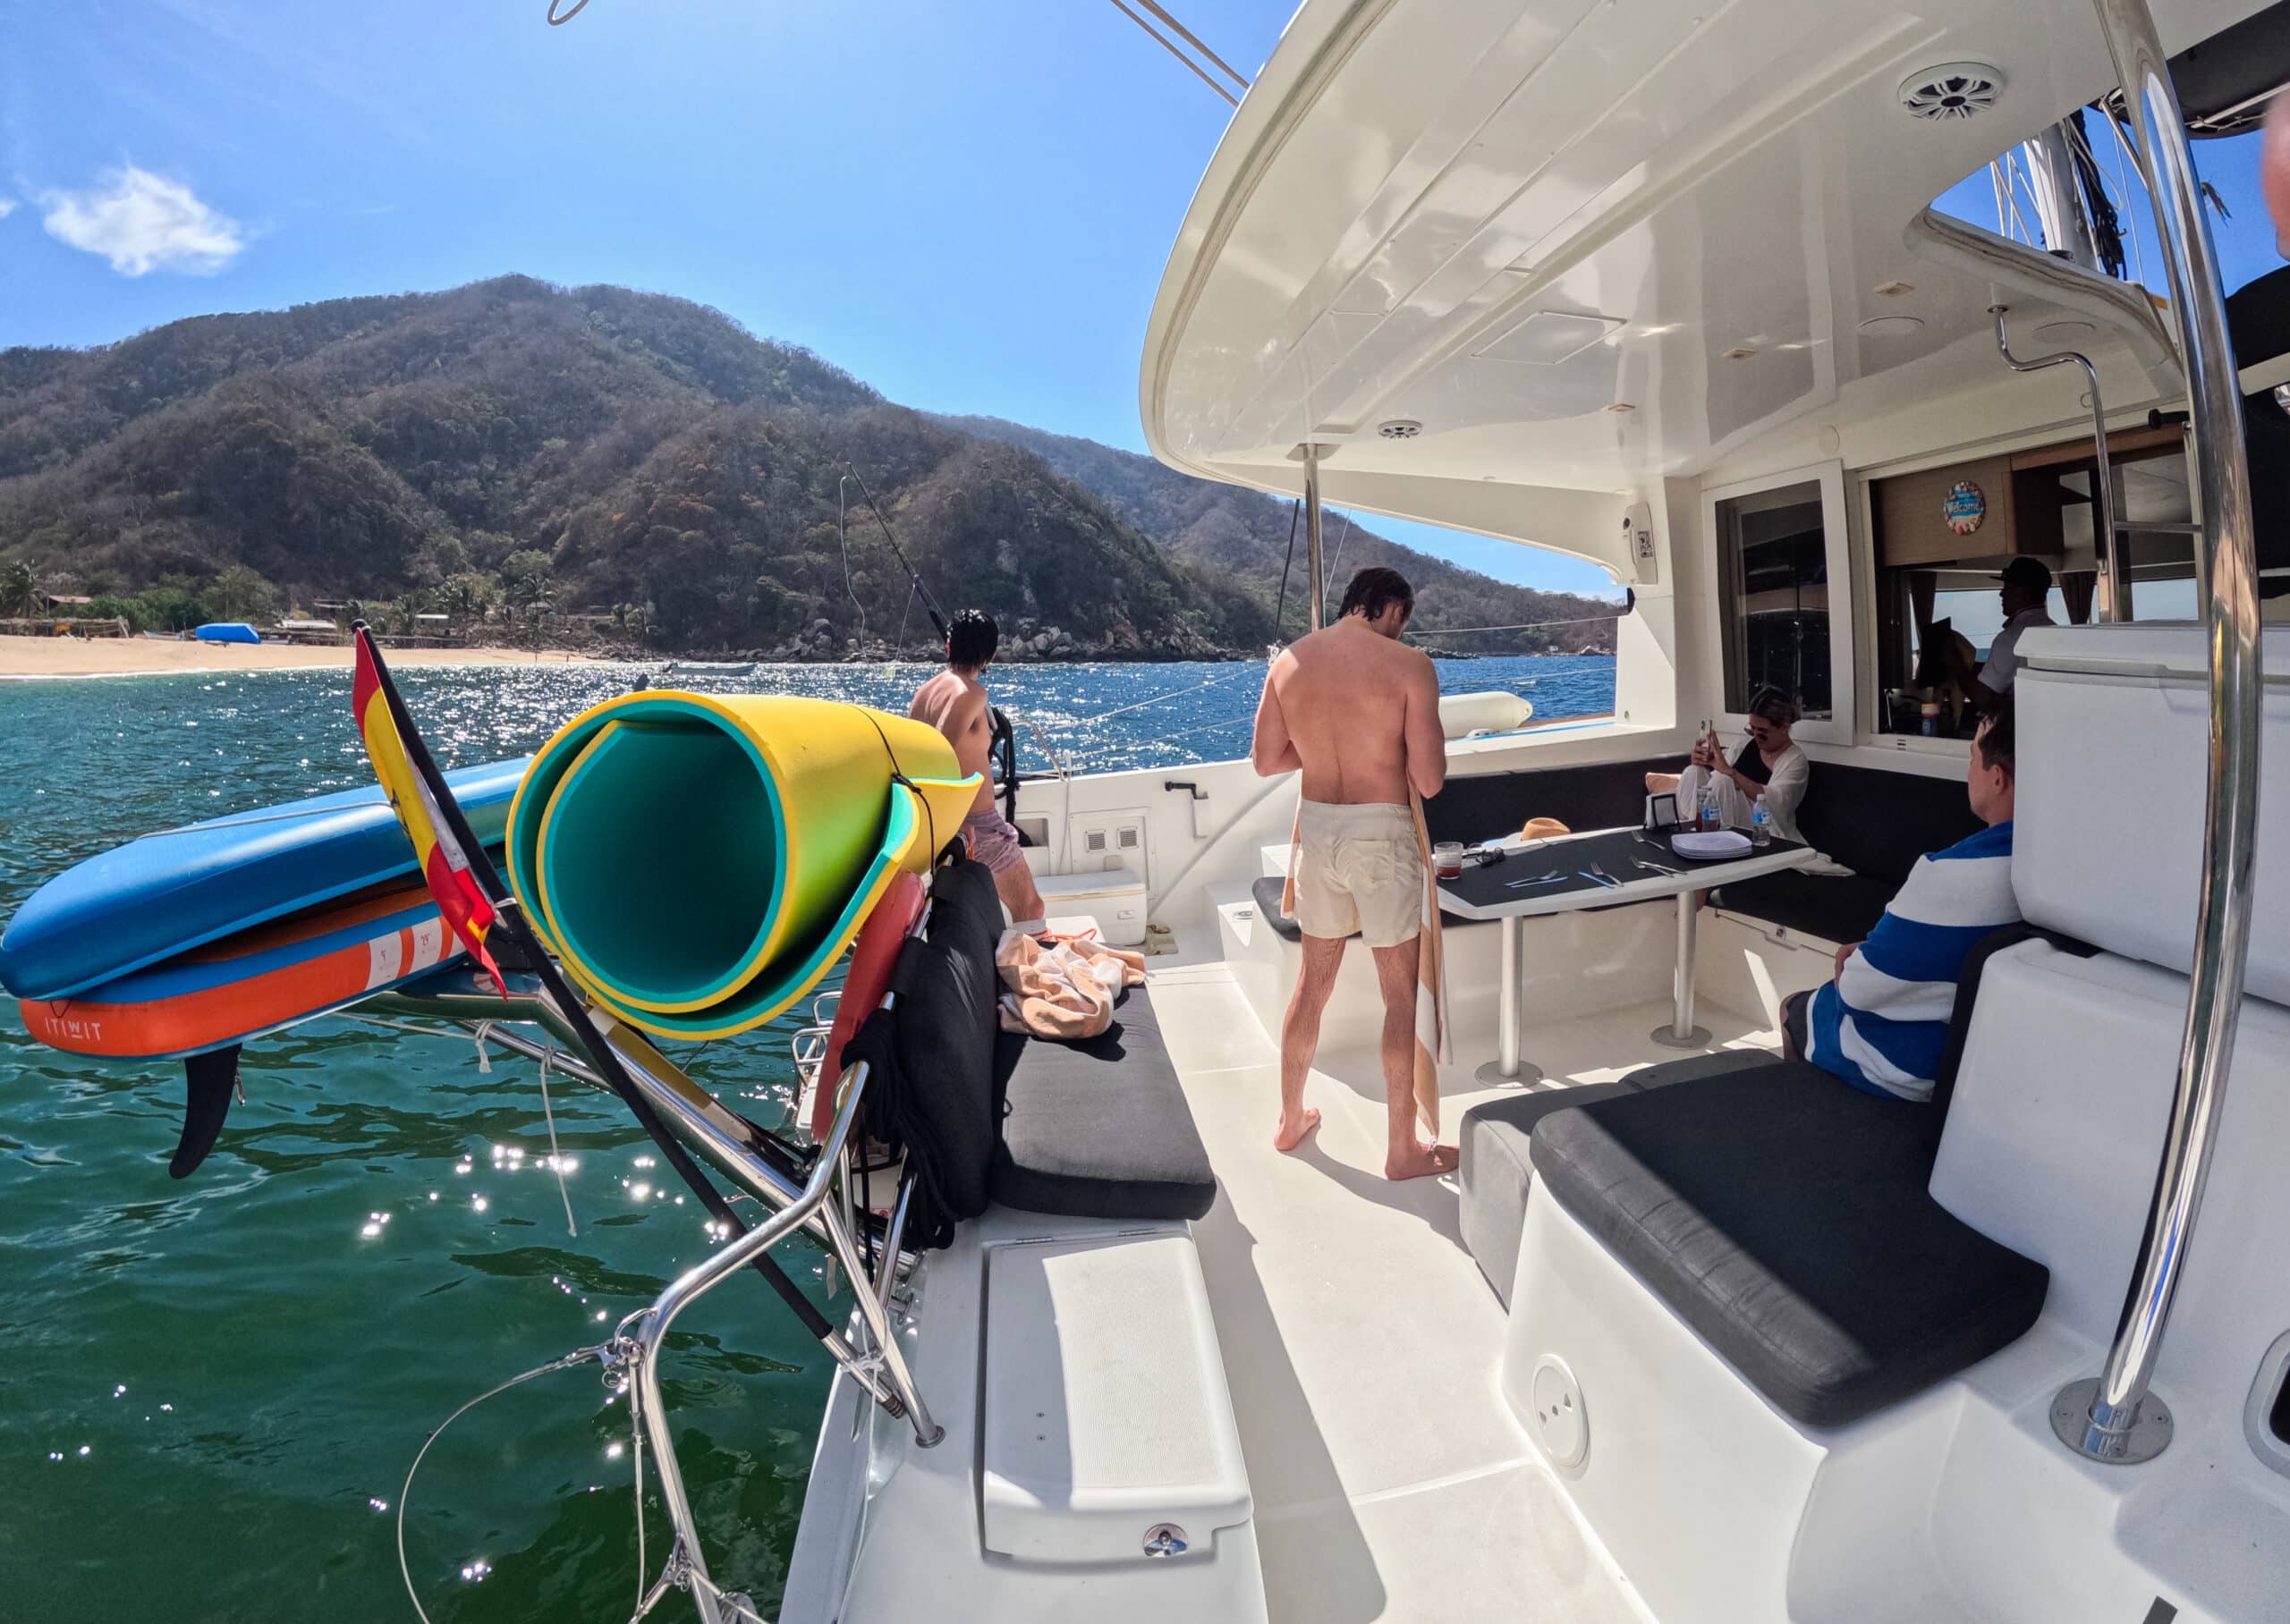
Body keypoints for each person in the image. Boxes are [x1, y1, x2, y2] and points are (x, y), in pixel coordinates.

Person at [1250, 566, 1455, 1180]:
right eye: (1404, 620)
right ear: (1393, 607)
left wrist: (1324, 749)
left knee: (1312, 985)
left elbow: (1266, 761)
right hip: (1381, 834)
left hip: (1318, 829)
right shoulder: (1409, 665)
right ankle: (1401, 1150)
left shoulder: (1288, 662)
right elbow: (1430, 780)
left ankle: (1289, 1120)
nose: (1402, 631)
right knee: (1397, 997)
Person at [1778, 695, 2020, 1101]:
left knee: (1795, 1007)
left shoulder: (1950, 876)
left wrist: (1860, 961)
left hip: (1916, 1071)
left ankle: (1805, 1119)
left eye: (1972, 756)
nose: (1969, 770)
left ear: (1997, 778)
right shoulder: (2062, 868)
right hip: (2000, 1056)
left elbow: (1858, 990)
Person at [909, 608, 1047, 929]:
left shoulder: (923, 694)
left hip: (945, 824)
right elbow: (937, 754)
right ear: (991, 655)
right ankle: (1025, 978)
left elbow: (915, 757)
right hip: (976, 828)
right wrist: (960, 825)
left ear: (948, 647)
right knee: (1031, 907)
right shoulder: (970, 694)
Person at [1644, 687, 1807, 840]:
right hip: (1726, 816)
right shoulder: (1742, 745)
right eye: (1752, 729)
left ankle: (1701, 837)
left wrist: (1730, 772)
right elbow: (1714, 781)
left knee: (1723, 781)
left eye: (1762, 733)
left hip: (1763, 827)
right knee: (1693, 771)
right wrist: (1702, 761)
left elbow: (1777, 803)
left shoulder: (1795, 761)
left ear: (1784, 728)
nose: (1756, 737)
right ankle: (1693, 829)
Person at [1938, 556, 2055, 706]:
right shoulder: (2052, 629)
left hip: (2015, 726)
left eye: (2007, 588)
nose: (2001, 594)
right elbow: (2011, 669)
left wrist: (1955, 662)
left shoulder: (2010, 638)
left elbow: (1983, 698)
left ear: (2023, 593)